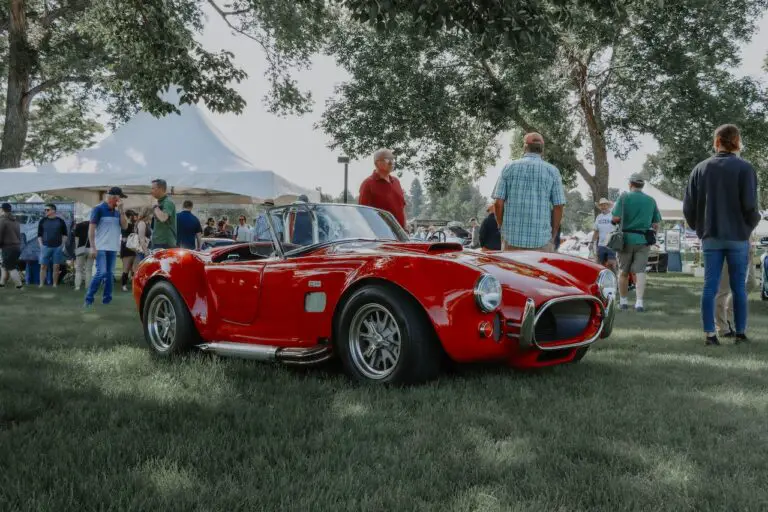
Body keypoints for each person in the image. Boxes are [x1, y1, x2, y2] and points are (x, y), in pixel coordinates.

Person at [683, 124, 760, 345]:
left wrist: (700, 230)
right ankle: (741, 333)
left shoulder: (700, 168)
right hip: (737, 236)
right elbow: (751, 206)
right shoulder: (745, 168)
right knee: (738, 288)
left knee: (710, 286)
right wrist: (747, 228)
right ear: (737, 140)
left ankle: (710, 334)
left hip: (711, 236)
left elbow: (688, 207)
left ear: (716, 141)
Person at [492, 132, 566, 252]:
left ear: (525, 147)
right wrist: (553, 235)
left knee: (510, 271)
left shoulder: (509, 168)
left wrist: (502, 227)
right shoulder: (553, 171)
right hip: (541, 241)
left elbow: (498, 203)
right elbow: (558, 206)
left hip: (511, 239)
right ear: (542, 150)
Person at [612, 174, 661, 312]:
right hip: (643, 240)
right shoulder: (651, 200)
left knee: (623, 272)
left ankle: (623, 302)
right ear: (642, 185)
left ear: (630, 184)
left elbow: (615, 218)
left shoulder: (624, 197)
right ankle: (639, 303)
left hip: (625, 240)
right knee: (640, 272)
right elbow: (656, 223)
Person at [84, 187, 128, 307]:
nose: (121, 200)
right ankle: (89, 299)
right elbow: (91, 230)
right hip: (101, 247)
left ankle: (107, 300)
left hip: (113, 247)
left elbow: (124, 227)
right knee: (101, 272)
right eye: (120, 197)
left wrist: (122, 210)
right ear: (114, 197)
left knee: (109, 274)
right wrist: (93, 247)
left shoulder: (118, 211)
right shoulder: (98, 209)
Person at [358, 148, 407, 227]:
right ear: (376, 163)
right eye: (387, 160)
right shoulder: (368, 183)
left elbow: (402, 208)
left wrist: (405, 228)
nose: (391, 163)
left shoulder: (396, 181)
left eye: (393, 159)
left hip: (400, 235)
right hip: (381, 235)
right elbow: (363, 212)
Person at [37, 203, 69, 288]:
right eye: (45, 210)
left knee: (56, 267)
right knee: (43, 266)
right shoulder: (43, 221)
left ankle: (54, 284)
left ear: (53, 210)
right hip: (45, 247)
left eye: (47, 210)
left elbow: (65, 234)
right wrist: (41, 245)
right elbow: (39, 235)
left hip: (57, 247)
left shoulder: (60, 221)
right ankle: (41, 284)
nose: (45, 211)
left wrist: (61, 245)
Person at [0, 202, 24, 289]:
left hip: (8, 248)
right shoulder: (15, 221)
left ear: (2, 210)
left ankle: (19, 286)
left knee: (11, 268)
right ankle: (2, 283)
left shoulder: (2, 220)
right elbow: (19, 236)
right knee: (4, 266)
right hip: (16, 248)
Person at [150, 178, 177, 249]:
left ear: (161, 189)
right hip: (158, 242)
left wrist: (155, 206)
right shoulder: (160, 202)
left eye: (153, 188)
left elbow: (163, 218)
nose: (151, 191)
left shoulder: (168, 202)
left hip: (165, 243)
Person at [592, 198, 617, 272]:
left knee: (612, 264)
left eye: (604, 205)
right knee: (600, 265)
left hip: (611, 245)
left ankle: (614, 281)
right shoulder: (599, 217)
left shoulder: (613, 215)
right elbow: (596, 231)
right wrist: (591, 242)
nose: (603, 207)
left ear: (608, 206)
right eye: (601, 205)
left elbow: (618, 229)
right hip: (601, 245)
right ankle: (601, 282)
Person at [120, 210, 138, 292]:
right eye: (134, 216)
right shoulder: (126, 225)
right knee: (126, 268)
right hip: (126, 249)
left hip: (134, 248)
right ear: (130, 216)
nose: (135, 217)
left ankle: (134, 284)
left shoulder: (135, 225)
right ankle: (123, 285)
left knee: (134, 268)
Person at [73, 218, 93, 291]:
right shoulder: (95, 225)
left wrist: (76, 249)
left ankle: (77, 286)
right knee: (89, 269)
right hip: (91, 249)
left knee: (79, 269)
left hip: (80, 248)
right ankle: (88, 287)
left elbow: (76, 239)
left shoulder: (79, 225)